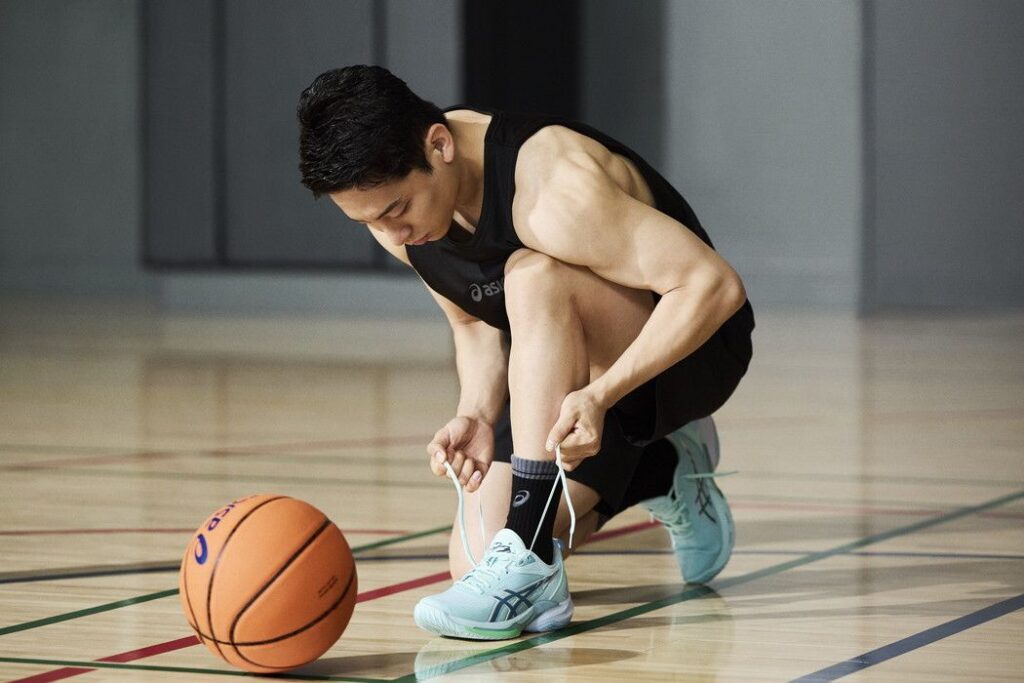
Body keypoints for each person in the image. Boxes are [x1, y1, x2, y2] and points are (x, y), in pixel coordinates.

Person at [297, 65, 754, 640]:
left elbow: (712, 286)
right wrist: (476, 413)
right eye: (368, 221)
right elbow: (471, 321)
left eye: (395, 211)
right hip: (565, 374)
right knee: (473, 560)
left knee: (533, 276)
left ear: (439, 146)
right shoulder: (396, 215)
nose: (392, 234)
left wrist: (603, 394)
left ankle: (533, 557)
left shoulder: (553, 188)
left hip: (685, 355)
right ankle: (661, 470)